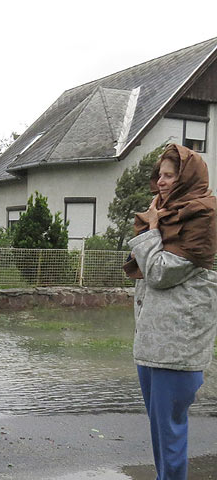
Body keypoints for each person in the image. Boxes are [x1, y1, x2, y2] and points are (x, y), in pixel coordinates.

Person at [123, 143, 217, 479]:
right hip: (153, 344)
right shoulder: (167, 213)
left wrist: (150, 231)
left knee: (171, 435)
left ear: (186, 177)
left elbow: (161, 272)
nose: (161, 182)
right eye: (159, 175)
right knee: (161, 434)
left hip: (177, 346)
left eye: (169, 175)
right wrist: (153, 227)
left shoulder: (202, 216)